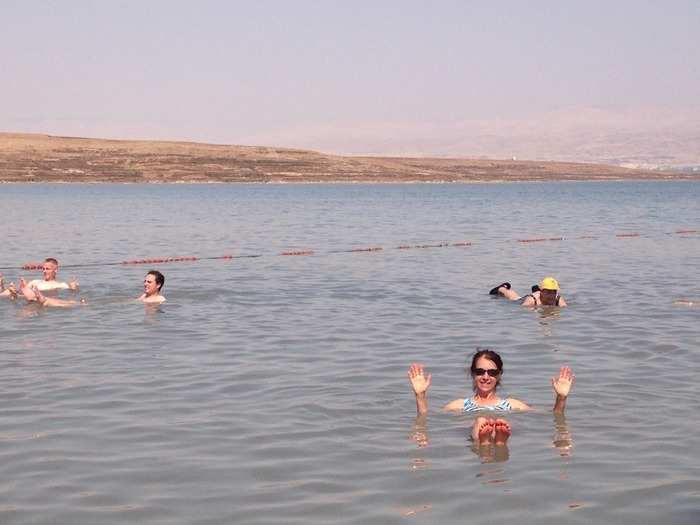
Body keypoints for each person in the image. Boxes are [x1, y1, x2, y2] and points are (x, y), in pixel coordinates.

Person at [408, 348, 574, 447]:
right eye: (480, 372)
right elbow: (426, 418)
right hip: (476, 432)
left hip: (501, 429)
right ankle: (487, 440)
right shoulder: (460, 405)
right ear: (473, 374)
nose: (486, 377)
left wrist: (561, 398)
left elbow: (553, 416)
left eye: (492, 372)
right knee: (481, 421)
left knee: (498, 424)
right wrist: (420, 395)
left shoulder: (510, 404)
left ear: (499, 375)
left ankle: (496, 440)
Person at [489, 276, 567, 307]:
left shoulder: (558, 299)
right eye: (549, 292)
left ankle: (535, 289)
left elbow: (565, 309)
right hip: (528, 298)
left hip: (538, 294)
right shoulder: (531, 300)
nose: (551, 295)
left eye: (554, 292)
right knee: (514, 298)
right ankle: (502, 288)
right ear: (542, 292)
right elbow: (523, 310)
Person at [18, 278, 83, 307]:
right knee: (72, 303)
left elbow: (74, 292)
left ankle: (39, 299)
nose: (44, 271)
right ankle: (39, 299)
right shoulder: (37, 281)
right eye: (43, 269)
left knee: (70, 303)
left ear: (55, 270)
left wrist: (73, 287)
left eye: (47, 269)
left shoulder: (62, 284)